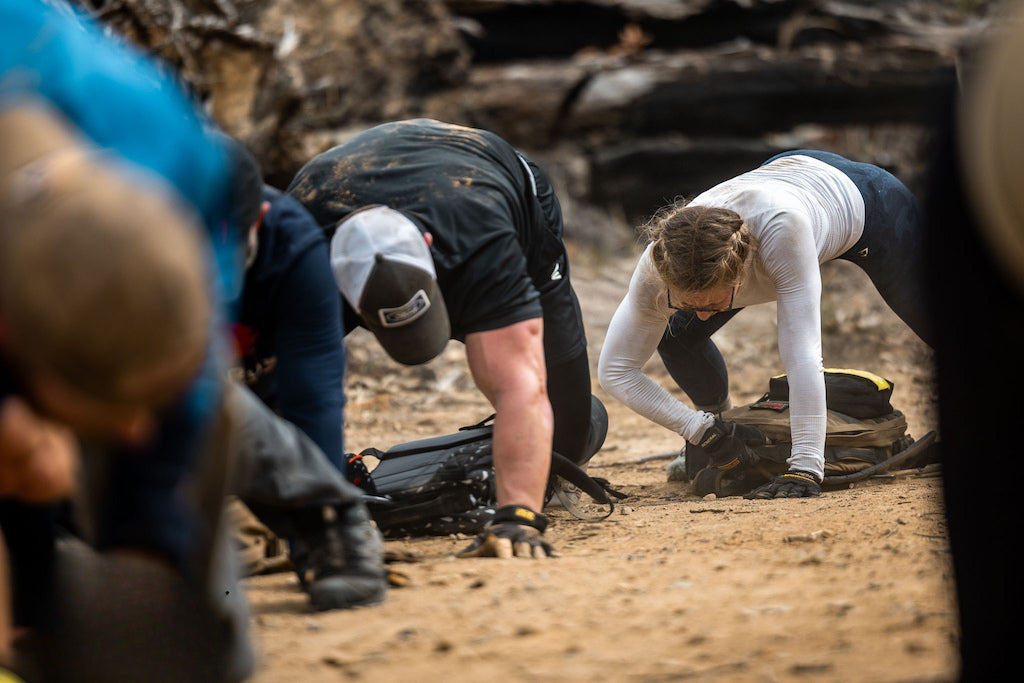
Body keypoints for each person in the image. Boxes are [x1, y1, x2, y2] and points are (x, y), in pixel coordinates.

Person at [0, 0, 251, 679]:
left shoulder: (178, 152)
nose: (134, 429)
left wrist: (150, 530)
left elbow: (191, 341)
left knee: (190, 447)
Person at [286, 118, 608, 559]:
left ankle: (557, 438)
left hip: (487, 182)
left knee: (564, 444)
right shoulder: (298, 242)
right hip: (344, 183)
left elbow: (520, 380)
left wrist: (519, 517)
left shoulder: (483, 236)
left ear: (429, 244)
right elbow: (289, 384)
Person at [598, 149, 931, 499]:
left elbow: (803, 355)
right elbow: (616, 370)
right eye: (684, 302)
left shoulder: (782, 234)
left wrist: (805, 469)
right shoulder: (658, 262)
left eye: (713, 303)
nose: (703, 315)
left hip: (870, 202)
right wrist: (706, 433)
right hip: (785, 172)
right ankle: (723, 423)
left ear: (740, 274)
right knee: (678, 337)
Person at [220, 135, 387, 610]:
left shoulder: (293, 244)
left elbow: (312, 399)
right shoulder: (112, 236)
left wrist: (320, 539)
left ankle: (333, 529)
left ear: (259, 218)